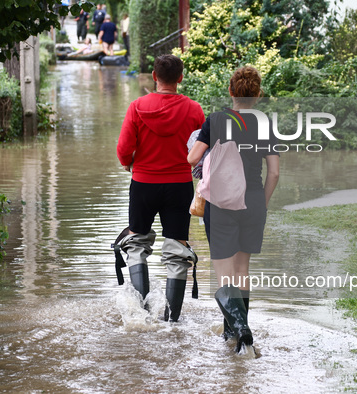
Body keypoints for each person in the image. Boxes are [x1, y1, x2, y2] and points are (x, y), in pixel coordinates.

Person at [187, 66, 280, 352]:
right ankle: (234, 337)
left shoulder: (215, 120)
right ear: (257, 94)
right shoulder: (264, 123)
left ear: (231, 91)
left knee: (225, 273)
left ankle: (241, 330)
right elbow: (274, 173)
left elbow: (193, 159)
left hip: (221, 204)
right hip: (253, 201)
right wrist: (260, 203)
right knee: (242, 269)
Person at [116, 55, 205, 322]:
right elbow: (200, 151)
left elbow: (123, 148)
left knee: (137, 243)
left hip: (143, 184)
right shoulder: (194, 110)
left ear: (155, 76)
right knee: (178, 249)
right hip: (179, 186)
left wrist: (128, 163)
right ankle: (172, 321)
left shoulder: (137, 107)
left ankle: (141, 315)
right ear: (180, 78)